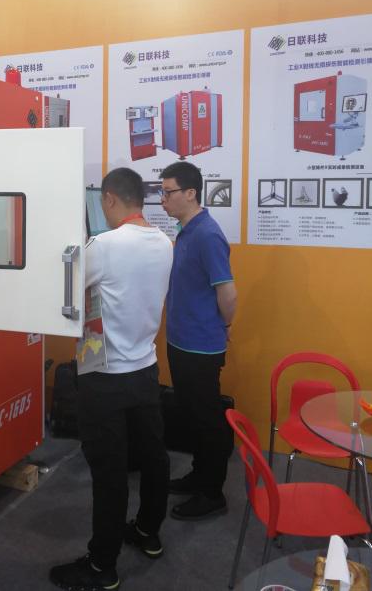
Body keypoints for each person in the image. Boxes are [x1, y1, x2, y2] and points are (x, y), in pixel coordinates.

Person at [50, 168, 173, 591]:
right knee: (153, 457)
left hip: (105, 378)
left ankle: (102, 566)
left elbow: (65, 291)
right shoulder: (164, 242)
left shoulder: (103, 246)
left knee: (109, 472)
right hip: (145, 369)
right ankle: (147, 531)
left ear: (108, 200)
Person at [160, 161, 237, 521]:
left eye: (168, 192)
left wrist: (226, 325)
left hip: (201, 346)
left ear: (190, 193)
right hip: (181, 340)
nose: (162, 200)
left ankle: (212, 493)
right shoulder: (186, 231)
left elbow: (228, 292)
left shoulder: (207, 235)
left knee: (207, 420)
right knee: (191, 415)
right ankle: (199, 475)